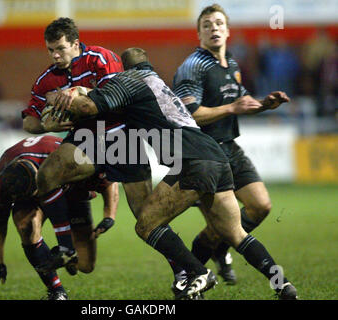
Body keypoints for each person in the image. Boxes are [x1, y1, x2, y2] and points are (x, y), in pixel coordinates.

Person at [40, 47, 297, 300]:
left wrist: (55, 97)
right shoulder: (159, 84)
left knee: (146, 224)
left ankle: (198, 272)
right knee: (236, 234)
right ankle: (283, 286)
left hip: (192, 161)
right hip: (216, 156)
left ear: (124, 68)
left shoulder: (129, 80)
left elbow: (89, 108)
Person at [22, 17, 189, 284]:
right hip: (87, 139)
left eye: (60, 49)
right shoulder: (47, 79)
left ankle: (184, 269)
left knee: (146, 216)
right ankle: (66, 247)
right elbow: (28, 120)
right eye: (50, 50)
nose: (55, 55)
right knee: (46, 176)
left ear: (76, 44)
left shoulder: (101, 58)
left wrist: (79, 93)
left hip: (122, 137)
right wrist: (44, 125)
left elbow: (114, 97)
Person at [172, 4, 290, 286]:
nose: (214, 28)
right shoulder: (193, 66)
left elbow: (241, 104)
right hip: (202, 154)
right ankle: (189, 278)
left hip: (229, 147)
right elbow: (189, 114)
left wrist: (264, 105)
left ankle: (222, 249)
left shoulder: (232, 64)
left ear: (227, 30)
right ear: (199, 33)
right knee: (217, 228)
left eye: (219, 24)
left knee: (261, 206)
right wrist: (231, 108)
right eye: (207, 25)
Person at [0, 135, 118, 300]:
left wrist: (109, 215)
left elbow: (107, 178)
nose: (40, 196)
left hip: (70, 191)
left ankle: (68, 256)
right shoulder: (2, 177)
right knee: (25, 225)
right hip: (34, 193)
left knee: (85, 265)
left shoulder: (65, 156)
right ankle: (57, 292)